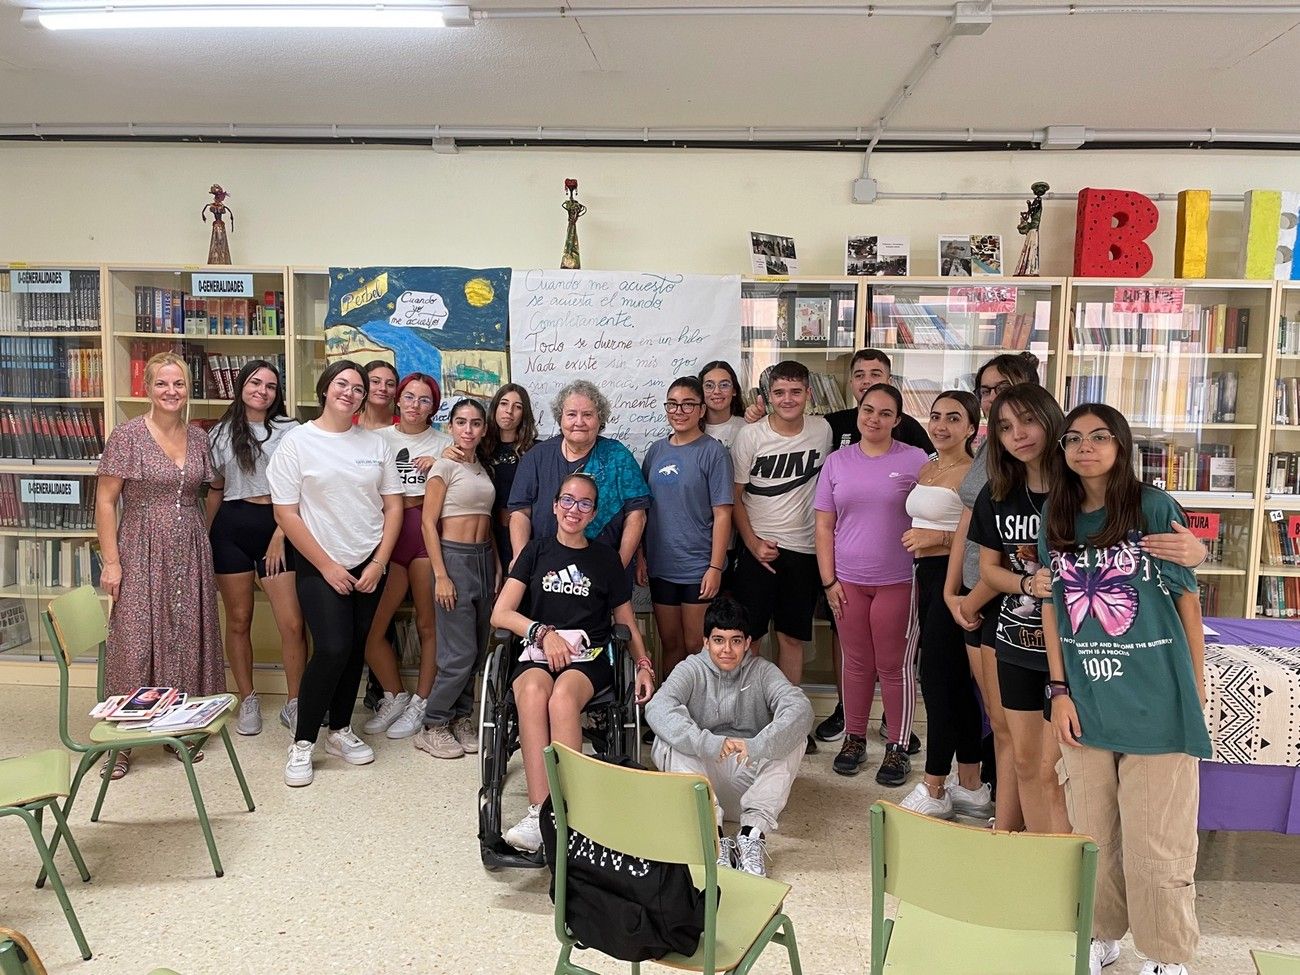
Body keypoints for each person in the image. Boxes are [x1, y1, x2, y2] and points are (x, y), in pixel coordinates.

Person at [1041, 404, 1210, 975]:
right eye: (1073, 438)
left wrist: (1196, 684)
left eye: (1099, 436)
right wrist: (1058, 690)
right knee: (1093, 836)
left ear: (1121, 445)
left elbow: (1187, 600)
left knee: (1156, 842)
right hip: (1084, 700)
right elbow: (1052, 610)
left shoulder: (1153, 507)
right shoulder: (1056, 516)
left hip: (1157, 697)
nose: (1085, 447)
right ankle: (1102, 933)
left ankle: (1166, 954)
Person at [491, 472, 655, 852]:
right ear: (554, 505)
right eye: (567, 500)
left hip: (587, 657)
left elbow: (624, 620)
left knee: (562, 700)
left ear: (594, 513)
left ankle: (572, 815)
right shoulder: (535, 551)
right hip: (537, 650)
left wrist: (644, 663)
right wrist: (542, 633)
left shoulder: (605, 559)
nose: (573, 509)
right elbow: (501, 613)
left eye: (584, 503)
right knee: (531, 693)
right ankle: (540, 813)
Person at [270, 360, 404, 788]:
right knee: (330, 647)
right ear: (325, 389)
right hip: (318, 562)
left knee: (354, 648)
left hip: (369, 561)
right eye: (342, 384)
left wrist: (379, 563)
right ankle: (303, 741)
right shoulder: (298, 443)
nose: (350, 392)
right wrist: (326, 566)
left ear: (365, 398)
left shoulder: (376, 444)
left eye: (359, 388)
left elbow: (394, 506)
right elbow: (286, 513)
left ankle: (341, 731)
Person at [94, 352, 225, 779]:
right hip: (140, 545)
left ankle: (177, 727)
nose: (172, 392)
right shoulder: (128, 436)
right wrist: (111, 563)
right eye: (162, 384)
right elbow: (106, 500)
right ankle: (125, 739)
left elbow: (213, 489)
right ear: (147, 389)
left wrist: (199, 532)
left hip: (190, 546)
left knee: (185, 635)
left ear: (188, 390)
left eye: (179, 384)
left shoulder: (200, 438)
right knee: (135, 637)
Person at [808, 348, 933, 744]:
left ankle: (897, 741)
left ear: (898, 420)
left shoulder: (916, 460)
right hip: (847, 582)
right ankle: (854, 737)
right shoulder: (838, 461)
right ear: (857, 412)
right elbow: (824, 525)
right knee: (857, 663)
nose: (874, 419)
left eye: (884, 413)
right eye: (867, 411)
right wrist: (829, 583)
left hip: (898, 580)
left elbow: (941, 510)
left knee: (893, 666)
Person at [963, 383, 1072, 833]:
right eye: (1005, 427)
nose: (1018, 434)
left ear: (1050, 418)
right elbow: (990, 570)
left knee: (1057, 770)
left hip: (1071, 647)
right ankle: (1031, 861)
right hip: (1015, 641)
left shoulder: (1080, 484)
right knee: (1026, 763)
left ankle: (1060, 867)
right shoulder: (998, 490)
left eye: (1028, 420)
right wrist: (1026, 581)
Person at [942, 351, 1044, 830]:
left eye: (1004, 386)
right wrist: (951, 591)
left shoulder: (1045, 466)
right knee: (1001, 726)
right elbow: (974, 523)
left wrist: (969, 599)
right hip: (974, 597)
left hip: (1008, 604)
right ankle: (1005, 826)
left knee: (1021, 735)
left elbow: (1011, 554)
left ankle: (1017, 827)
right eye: (985, 390)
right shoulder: (991, 449)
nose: (993, 397)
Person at [646, 596, 813, 879]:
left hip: (749, 780)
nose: (726, 650)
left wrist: (759, 745)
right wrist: (705, 742)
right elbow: (658, 707)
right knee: (667, 738)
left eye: (735, 641)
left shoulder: (762, 671)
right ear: (705, 642)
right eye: (719, 640)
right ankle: (715, 837)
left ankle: (751, 834)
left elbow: (801, 709)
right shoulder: (691, 669)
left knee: (795, 738)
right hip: (701, 782)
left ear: (748, 643)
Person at [896, 390, 991, 819]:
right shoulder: (928, 466)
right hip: (926, 580)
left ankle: (934, 785)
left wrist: (936, 539)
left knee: (937, 681)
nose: (941, 425)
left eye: (954, 419)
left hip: (955, 582)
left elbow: (984, 539)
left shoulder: (973, 474)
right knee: (950, 682)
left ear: (972, 428)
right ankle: (970, 784)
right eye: (935, 416)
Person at [206, 359, 307, 737]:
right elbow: (216, 489)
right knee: (238, 620)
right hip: (231, 528)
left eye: (270, 386)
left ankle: (294, 702)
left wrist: (282, 531)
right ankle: (247, 697)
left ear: (277, 393)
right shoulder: (217, 434)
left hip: (278, 529)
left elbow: (301, 488)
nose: (262, 391)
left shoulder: (291, 430)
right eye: (255, 383)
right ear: (241, 386)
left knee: (293, 623)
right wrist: (205, 534)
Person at [729, 360, 832, 707]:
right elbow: (735, 497)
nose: (787, 399)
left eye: (795, 391)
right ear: (768, 396)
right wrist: (752, 543)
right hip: (758, 550)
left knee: (791, 638)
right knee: (750, 638)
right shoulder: (750, 435)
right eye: (779, 392)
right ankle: (750, 712)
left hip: (804, 551)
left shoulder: (823, 431)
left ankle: (790, 717)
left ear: (808, 393)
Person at [360, 372, 452, 739]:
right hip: (387, 535)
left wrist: (442, 464)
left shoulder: (446, 443)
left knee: (429, 625)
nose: (415, 405)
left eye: (425, 399)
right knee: (369, 628)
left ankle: (422, 702)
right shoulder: (376, 439)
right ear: (397, 400)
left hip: (426, 535)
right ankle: (395, 694)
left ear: (434, 406)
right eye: (409, 397)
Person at [413, 398, 498, 759]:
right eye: (461, 423)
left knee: (477, 650)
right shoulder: (443, 466)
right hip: (454, 560)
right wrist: (441, 575)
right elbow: (427, 524)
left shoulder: (481, 467)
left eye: (476, 423)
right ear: (451, 427)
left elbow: (487, 520)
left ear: (483, 429)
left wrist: (495, 565)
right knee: (458, 653)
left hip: (482, 559)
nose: (468, 430)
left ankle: (460, 717)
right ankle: (432, 723)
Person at [639, 376, 734, 677]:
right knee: (669, 644)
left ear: (702, 409)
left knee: (696, 646)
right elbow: (643, 510)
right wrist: (641, 556)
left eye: (688, 404)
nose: (679, 411)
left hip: (698, 567)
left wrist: (715, 567)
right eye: (672, 404)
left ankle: (697, 718)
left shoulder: (713, 452)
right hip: (660, 565)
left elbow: (723, 514)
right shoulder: (655, 451)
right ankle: (668, 716)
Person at [507, 379, 650, 570]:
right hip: (544, 570)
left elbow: (636, 515)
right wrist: (521, 561)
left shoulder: (618, 456)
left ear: (600, 419)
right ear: (560, 418)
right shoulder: (537, 456)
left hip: (603, 570)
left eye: (588, 414)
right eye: (571, 414)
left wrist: (618, 567)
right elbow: (520, 512)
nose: (579, 422)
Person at [483, 383, 538, 568]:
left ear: (524, 413)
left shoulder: (536, 450)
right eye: (504, 404)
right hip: (487, 533)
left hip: (526, 532)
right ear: (495, 407)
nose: (509, 411)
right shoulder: (479, 448)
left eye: (518, 406)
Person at [698, 360, 748, 450]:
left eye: (724, 385)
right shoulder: (690, 427)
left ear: (734, 390)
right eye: (709, 385)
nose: (717, 391)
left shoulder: (747, 427)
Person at [357, 359, 398, 430]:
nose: (383, 388)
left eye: (390, 384)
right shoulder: (346, 423)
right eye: (375, 381)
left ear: (396, 391)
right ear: (362, 385)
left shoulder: (404, 427)